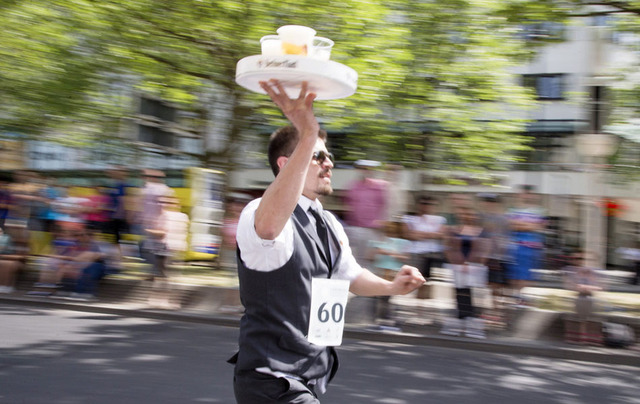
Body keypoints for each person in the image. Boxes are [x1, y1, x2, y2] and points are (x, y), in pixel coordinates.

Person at [229, 80, 425, 403]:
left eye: (328, 155)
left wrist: (391, 287)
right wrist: (308, 133)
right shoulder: (259, 213)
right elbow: (267, 228)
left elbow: (349, 275)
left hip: (310, 378)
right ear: (285, 164)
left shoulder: (329, 222)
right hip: (272, 380)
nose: (329, 163)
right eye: (318, 156)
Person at [440, 205, 491, 339]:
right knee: (461, 293)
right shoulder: (456, 230)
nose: (469, 217)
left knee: (475, 295)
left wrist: (475, 262)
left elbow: (485, 248)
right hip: (459, 266)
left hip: (475, 267)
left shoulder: (482, 231)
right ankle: (462, 321)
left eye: (472, 214)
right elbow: (449, 247)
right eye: (466, 214)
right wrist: (458, 261)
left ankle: (474, 324)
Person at [343, 159, 388, 268]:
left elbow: (386, 208)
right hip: (355, 229)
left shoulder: (380, 187)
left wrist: (383, 232)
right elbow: (348, 206)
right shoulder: (353, 186)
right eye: (363, 168)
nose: (365, 171)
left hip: (372, 230)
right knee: (353, 261)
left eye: (368, 169)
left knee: (371, 262)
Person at [506, 184, 546, 305]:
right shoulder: (512, 210)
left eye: (529, 193)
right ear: (519, 195)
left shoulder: (539, 210)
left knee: (527, 274)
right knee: (515, 272)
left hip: (532, 248)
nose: (526, 195)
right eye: (524, 193)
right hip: (516, 246)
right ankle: (516, 295)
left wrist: (521, 225)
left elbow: (539, 227)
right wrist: (529, 225)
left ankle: (520, 296)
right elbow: (511, 225)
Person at [368, 220, 411, 327]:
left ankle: (383, 318)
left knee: (385, 296)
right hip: (381, 271)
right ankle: (379, 318)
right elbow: (370, 255)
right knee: (379, 296)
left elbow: (405, 257)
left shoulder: (402, 243)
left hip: (391, 272)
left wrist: (392, 253)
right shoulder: (382, 240)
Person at [402, 195, 447, 281]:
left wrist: (418, 234)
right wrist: (432, 234)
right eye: (424, 203)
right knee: (412, 279)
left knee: (429, 281)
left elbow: (441, 235)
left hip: (434, 253)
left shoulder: (440, 219)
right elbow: (408, 235)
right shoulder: (409, 218)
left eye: (431, 204)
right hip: (415, 253)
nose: (427, 206)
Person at [563, 251, 603, 345]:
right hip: (577, 298)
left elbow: (600, 287)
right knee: (582, 302)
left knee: (587, 302)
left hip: (588, 297)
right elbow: (571, 286)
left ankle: (585, 336)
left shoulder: (592, 272)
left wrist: (585, 287)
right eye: (574, 259)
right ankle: (581, 336)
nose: (578, 261)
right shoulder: (569, 270)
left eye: (580, 259)